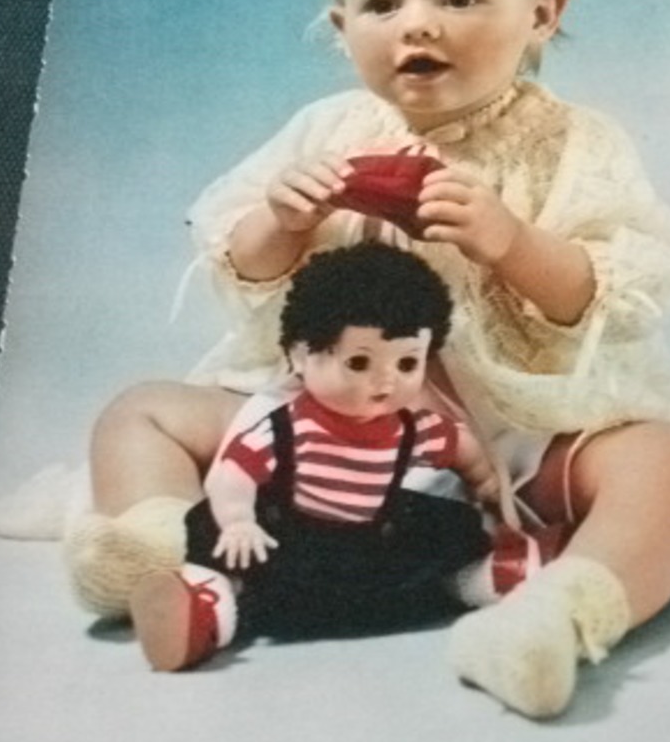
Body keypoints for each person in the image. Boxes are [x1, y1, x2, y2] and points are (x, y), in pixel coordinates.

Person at [66, 0, 670, 718]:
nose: (418, 24)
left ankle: (555, 618)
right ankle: (163, 553)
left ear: (542, 15)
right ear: (342, 30)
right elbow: (240, 267)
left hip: (512, 431)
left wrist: (511, 240)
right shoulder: (327, 133)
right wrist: (281, 221)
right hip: (325, 422)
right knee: (140, 410)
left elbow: (617, 291)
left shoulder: (571, 144)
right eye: (382, 5)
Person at [131, 240, 506, 672]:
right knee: (211, 527)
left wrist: (486, 486)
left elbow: (461, 447)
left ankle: (476, 578)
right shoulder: (286, 428)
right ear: (300, 355)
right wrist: (238, 520)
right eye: (360, 363)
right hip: (293, 542)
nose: (385, 382)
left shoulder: (413, 429)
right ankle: (207, 604)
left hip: (372, 545)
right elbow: (232, 474)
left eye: (407, 364)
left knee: (450, 525)